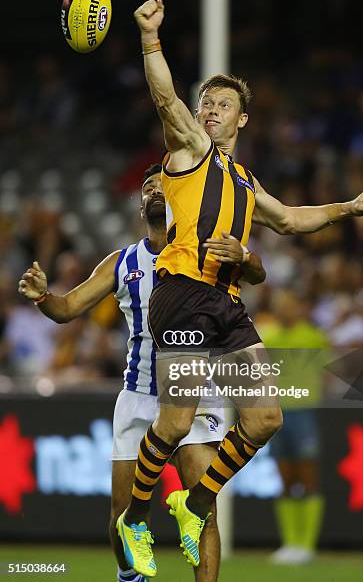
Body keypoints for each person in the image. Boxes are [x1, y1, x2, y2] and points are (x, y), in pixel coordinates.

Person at [118, 0, 363, 578]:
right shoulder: (188, 150)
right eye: (206, 102)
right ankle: (135, 517)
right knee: (178, 424)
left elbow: (288, 219)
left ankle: (195, 501)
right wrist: (149, 39)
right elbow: (165, 95)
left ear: (242, 121)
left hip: (226, 307)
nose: (209, 110)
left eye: (223, 105)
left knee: (265, 420)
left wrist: (344, 207)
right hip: (183, 292)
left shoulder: (242, 178)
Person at [18, 165, 266, 582]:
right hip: (140, 394)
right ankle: (129, 578)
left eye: (161, 186)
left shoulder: (206, 251)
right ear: (139, 208)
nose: (153, 191)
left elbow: (256, 275)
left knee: (202, 510)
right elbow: (67, 309)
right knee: (122, 513)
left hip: (197, 391)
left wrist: (246, 257)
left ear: (177, 200)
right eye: (146, 188)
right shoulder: (122, 263)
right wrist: (43, 296)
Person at [259, 289, 329, 565]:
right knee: (286, 480)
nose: (286, 310)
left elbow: (332, 368)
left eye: (290, 305)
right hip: (277, 414)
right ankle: (290, 544)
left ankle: (306, 545)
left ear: (299, 308)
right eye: (281, 305)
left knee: (308, 478)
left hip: (304, 413)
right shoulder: (268, 336)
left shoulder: (314, 337)